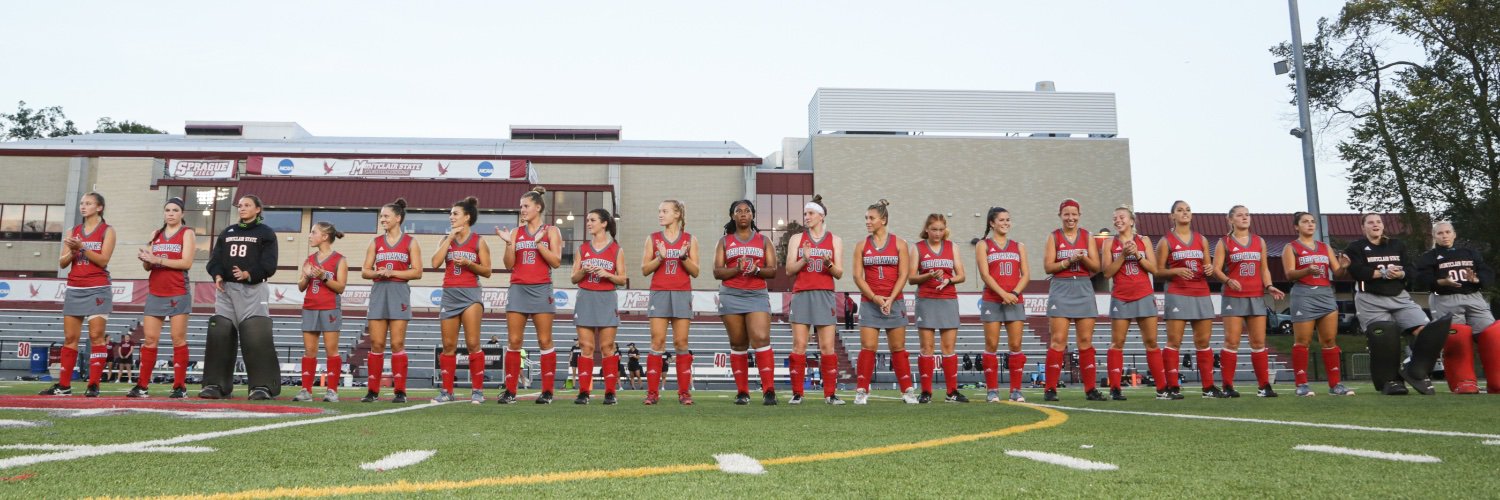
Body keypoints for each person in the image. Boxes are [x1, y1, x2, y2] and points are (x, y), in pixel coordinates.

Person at [1342, 213, 1449, 395]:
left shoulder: (1396, 245)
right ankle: (1390, 381)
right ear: (1363, 228)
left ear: (1383, 226)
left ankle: (1414, 369)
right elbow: (1358, 271)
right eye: (1370, 222)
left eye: (1378, 222)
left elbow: (1409, 269)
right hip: (1370, 299)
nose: (1375, 225)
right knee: (1384, 341)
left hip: (1399, 296)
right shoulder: (1355, 247)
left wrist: (1400, 274)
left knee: (1427, 332)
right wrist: (1384, 272)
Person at [199, 195, 279, 400]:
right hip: (226, 290)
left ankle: (262, 386)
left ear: (258, 209)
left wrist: (248, 274)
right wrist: (217, 274)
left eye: (247, 205)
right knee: (221, 332)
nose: (242, 209)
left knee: (255, 334)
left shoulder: (266, 233)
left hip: (253, 289)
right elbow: (215, 259)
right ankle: (216, 384)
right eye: (240, 206)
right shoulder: (228, 232)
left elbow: (269, 265)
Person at [41, 193, 117, 397]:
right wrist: (73, 252)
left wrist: (82, 247)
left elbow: (103, 260)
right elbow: (62, 263)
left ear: (99, 207)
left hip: (98, 287)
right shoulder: (73, 231)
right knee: (70, 338)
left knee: (96, 337)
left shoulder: (107, 231)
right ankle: (63, 385)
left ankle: (94, 385)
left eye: (89, 203)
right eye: (82, 203)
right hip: (75, 287)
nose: (83, 207)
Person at [496, 187, 564, 404]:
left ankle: (547, 391)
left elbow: (555, 261)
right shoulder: (516, 232)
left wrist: (538, 244)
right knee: (514, 340)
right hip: (518, 288)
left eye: (526, 206)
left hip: (541, 288)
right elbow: (508, 264)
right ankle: (510, 391)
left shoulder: (551, 231)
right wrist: (508, 243)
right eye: (521, 206)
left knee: (544, 340)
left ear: (538, 207)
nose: (522, 210)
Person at [1209, 206, 1285, 398]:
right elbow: (1215, 269)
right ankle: (1227, 385)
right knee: (1232, 341)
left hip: (1256, 296)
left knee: (1258, 342)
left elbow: (1264, 268)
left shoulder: (1259, 241)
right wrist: (1227, 280)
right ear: (1230, 220)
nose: (1245, 218)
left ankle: (1264, 386)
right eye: (1240, 215)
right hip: (1233, 297)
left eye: (1247, 214)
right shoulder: (1223, 242)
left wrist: (1269, 286)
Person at [1418, 222, 1500, 394]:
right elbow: (1421, 279)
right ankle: (1463, 381)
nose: (1444, 235)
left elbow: (1486, 272)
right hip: (1446, 298)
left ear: (1454, 234)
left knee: (1492, 334)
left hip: (1473, 296)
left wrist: (1477, 280)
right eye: (1440, 233)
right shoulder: (1429, 257)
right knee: (1457, 337)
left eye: (1448, 232)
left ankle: (1497, 381)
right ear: (1434, 236)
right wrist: (1441, 282)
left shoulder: (1470, 253)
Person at [713, 199, 780, 405]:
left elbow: (773, 270)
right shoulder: (724, 241)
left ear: (752, 215)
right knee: (738, 343)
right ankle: (743, 392)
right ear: (733, 216)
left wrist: (756, 270)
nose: (743, 214)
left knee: (760, 338)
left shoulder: (764, 240)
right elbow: (717, 271)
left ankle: (769, 390)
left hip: (756, 294)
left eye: (747, 210)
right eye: (738, 211)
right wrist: (737, 269)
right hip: (731, 295)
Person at [1154, 201, 1222, 398]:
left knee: (1203, 340)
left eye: (1188, 210)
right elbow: (1158, 272)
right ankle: (1172, 386)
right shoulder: (1165, 241)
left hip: (1200, 291)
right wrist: (1176, 270)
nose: (1184, 213)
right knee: (1174, 340)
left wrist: (1209, 269)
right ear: (1172, 216)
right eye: (1180, 210)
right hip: (1178, 292)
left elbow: (1207, 267)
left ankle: (1208, 387)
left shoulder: (1201, 239)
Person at [785, 195, 847, 405]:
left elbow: (839, 273)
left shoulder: (835, 240)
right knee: (799, 345)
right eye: (805, 214)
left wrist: (828, 264)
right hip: (802, 294)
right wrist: (804, 259)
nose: (806, 217)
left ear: (821, 216)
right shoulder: (796, 239)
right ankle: (797, 393)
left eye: (810, 213)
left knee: (827, 347)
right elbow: (788, 270)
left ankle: (830, 394)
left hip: (824, 294)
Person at [852, 199, 915, 405]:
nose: (868, 222)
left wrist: (890, 298)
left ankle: (907, 390)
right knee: (868, 346)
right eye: (866, 218)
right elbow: (857, 277)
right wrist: (875, 298)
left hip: (894, 302)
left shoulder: (899, 243)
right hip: (870, 302)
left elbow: (903, 274)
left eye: (871, 218)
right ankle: (862, 389)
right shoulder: (861, 245)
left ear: (883, 220)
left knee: (898, 347)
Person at [131, 197, 195, 398]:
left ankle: (179, 386)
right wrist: (146, 260)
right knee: (149, 339)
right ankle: (142, 386)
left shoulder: (187, 233)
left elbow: (186, 263)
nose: (170, 213)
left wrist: (158, 258)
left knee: (178, 339)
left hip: (177, 291)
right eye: (167, 209)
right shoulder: (156, 234)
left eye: (175, 210)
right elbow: (148, 266)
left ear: (182, 214)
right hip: (156, 291)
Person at [1280, 212, 1349, 397]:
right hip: (1303, 295)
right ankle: (1301, 385)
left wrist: (1343, 266)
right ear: (1296, 226)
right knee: (1303, 341)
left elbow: (1338, 273)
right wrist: (1306, 270)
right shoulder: (1291, 247)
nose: (1310, 225)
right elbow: (1289, 274)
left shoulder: (1324, 247)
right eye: (1305, 222)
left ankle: (1336, 385)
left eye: (1312, 222)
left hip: (1325, 294)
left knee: (1329, 341)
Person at [430, 196, 491, 403]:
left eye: (455, 214)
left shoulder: (479, 241)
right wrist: (448, 239)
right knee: (448, 345)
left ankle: (477, 391)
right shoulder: (445, 239)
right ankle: (447, 392)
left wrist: (469, 263)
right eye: (450, 214)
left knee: (473, 343)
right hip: (449, 293)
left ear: (467, 217)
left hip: (471, 294)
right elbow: (435, 263)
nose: (451, 217)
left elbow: (487, 271)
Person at [361, 198, 422, 403]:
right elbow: (364, 271)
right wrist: (378, 273)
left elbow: (418, 272)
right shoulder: (375, 242)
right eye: (381, 216)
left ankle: (400, 391)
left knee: (397, 343)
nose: (382, 219)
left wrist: (392, 271)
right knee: (376, 343)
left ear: (398, 218)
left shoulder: (411, 242)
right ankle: (372, 391)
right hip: (379, 291)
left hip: (399, 293)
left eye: (386, 216)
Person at [641, 199, 700, 405]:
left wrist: (684, 258)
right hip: (659, 292)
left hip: (682, 293)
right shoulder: (653, 239)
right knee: (657, 342)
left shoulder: (690, 239)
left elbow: (696, 272)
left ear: (677, 214)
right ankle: (652, 393)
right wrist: (660, 258)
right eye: (659, 211)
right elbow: (645, 269)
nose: (660, 214)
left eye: (664, 211)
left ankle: (684, 393)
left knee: (681, 343)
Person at [1042, 199, 1100, 402]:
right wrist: (1068, 260)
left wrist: (1082, 258)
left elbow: (1096, 266)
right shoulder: (1054, 236)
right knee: (1058, 341)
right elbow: (1048, 267)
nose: (1070, 218)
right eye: (1066, 214)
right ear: (1060, 215)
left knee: (1085, 341)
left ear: (1079, 215)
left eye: (1074, 214)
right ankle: (1050, 388)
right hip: (1061, 286)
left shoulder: (1087, 236)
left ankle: (1090, 389)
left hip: (1083, 286)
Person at [1100, 205, 1159, 400]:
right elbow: (1107, 273)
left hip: (1143, 294)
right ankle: (1115, 388)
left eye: (1122, 217)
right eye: (1115, 217)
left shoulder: (1144, 240)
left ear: (1131, 221)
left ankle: (1162, 387)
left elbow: (1154, 269)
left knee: (1151, 342)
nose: (1117, 220)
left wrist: (1137, 255)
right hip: (1121, 296)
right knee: (1118, 342)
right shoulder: (1109, 242)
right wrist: (1124, 256)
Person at [571, 209, 627, 405]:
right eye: (587, 220)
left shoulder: (616, 249)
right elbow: (573, 278)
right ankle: (584, 392)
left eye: (592, 220)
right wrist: (583, 270)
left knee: (607, 347)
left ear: (604, 224)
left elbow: (622, 279)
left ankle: (610, 392)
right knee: (586, 347)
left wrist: (607, 274)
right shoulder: (582, 248)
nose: (588, 223)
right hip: (586, 297)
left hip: (606, 298)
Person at [974, 207, 1030, 403]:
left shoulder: (1018, 246)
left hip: (1014, 299)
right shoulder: (983, 245)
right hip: (992, 299)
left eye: (1008, 219)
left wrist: (1013, 293)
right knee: (992, 345)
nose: (1006, 223)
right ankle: (992, 391)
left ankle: (1016, 390)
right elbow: (985, 274)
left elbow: (1026, 275)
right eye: (1001, 220)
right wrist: (1002, 294)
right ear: (992, 223)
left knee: (1015, 345)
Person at [911, 213, 968, 403]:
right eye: (934, 229)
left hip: (948, 299)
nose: (937, 233)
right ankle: (926, 392)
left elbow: (961, 275)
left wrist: (948, 279)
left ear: (945, 230)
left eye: (941, 230)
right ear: (926, 229)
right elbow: (911, 278)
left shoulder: (953, 247)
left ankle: (951, 392)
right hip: (926, 300)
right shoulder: (918, 248)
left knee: (948, 347)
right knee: (927, 347)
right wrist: (928, 275)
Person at [293, 222, 348, 403]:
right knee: (310, 351)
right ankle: (305, 390)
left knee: (331, 351)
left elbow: (340, 288)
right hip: (310, 307)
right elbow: (301, 287)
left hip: (330, 307)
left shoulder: (340, 259)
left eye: (313, 232)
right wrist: (307, 276)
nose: (309, 235)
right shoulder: (309, 259)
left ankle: (332, 391)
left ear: (324, 237)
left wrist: (323, 277)